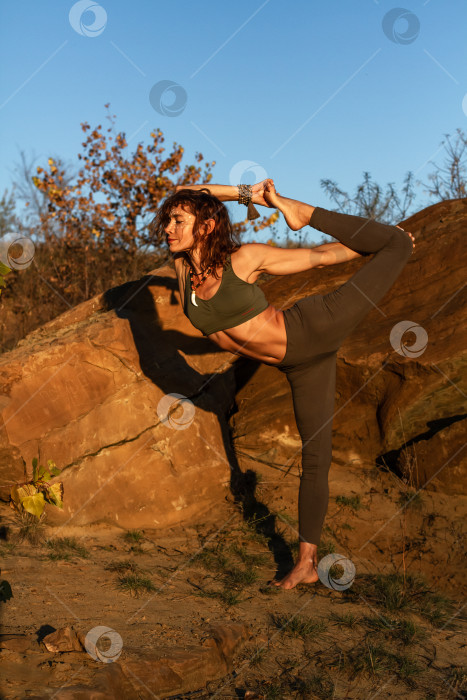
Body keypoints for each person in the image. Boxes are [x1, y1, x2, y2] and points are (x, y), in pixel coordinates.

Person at [149, 180, 415, 590]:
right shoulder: (182, 271)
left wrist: (260, 199)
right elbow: (186, 188)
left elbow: (320, 257)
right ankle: (307, 563)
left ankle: (299, 211)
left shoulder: (246, 259)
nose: (168, 226)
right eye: (168, 219)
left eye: (178, 220)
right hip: (300, 365)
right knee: (316, 458)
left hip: (314, 326)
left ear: (204, 226)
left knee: (397, 244)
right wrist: (242, 195)